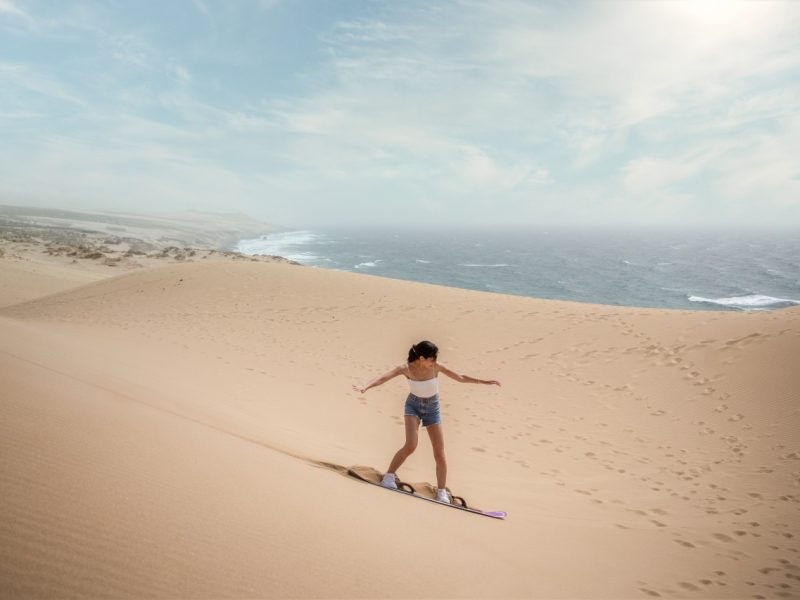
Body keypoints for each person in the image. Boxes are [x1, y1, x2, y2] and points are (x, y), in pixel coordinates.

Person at [353, 340, 501, 504]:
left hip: (433, 409)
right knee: (411, 445)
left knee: (440, 453)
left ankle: (441, 492)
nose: (434, 361)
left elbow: (460, 377)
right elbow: (383, 378)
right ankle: (388, 476)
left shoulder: (436, 367)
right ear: (422, 358)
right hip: (413, 406)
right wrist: (365, 386)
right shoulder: (406, 368)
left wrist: (484, 381)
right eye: (432, 358)